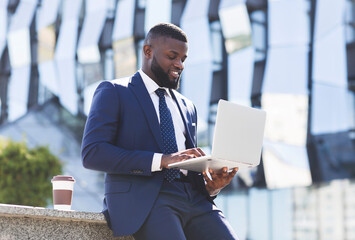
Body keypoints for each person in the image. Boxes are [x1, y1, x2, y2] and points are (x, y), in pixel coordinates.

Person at [81, 23, 239, 240]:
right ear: (148, 51)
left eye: (183, 59)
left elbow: (185, 164)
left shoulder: (187, 105)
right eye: (172, 56)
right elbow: (93, 153)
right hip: (147, 199)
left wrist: (211, 188)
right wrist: (162, 160)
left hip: (195, 200)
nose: (179, 64)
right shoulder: (114, 92)